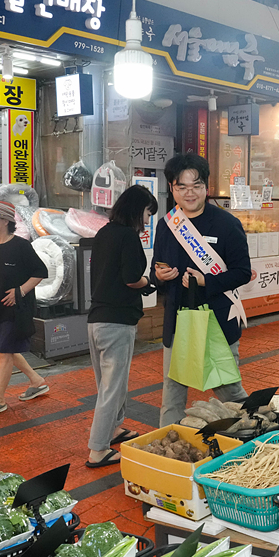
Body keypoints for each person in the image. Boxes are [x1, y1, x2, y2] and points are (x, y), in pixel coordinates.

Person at [153, 153, 252, 427]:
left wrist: (207, 281)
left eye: (196, 185)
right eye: (181, 187)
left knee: (230, 393)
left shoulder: (227, 224)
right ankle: (165, 453)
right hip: (178, 321)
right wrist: (160, 275)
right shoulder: (167, 224)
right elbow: (155, 269)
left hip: (217, 322)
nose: (190, 193)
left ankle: (253, 434)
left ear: (206, 187)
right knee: (172, 394)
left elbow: (242, 272)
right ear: (171, 189)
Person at [85, 185, 158, 467]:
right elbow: (131, 278)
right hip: (117, 322)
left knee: (108, 384)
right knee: (112, 387)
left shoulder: (104, 232)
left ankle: (114, 429)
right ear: (137, 209)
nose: (147, 219)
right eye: (147, 212)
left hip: (97, 319)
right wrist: (151, 283)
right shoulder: (128, 236)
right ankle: (98, 449)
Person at [0, 200, 50, 418]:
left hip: (18, 308)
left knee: (4, 352)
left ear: (7, 221)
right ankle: (37, 382)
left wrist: (20, 291)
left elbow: (40, 271)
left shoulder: (21, 245)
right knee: (6, 348)